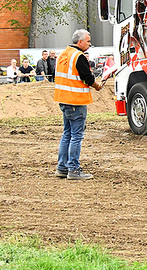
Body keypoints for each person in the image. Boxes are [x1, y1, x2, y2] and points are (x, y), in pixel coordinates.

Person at [54, 29, 103, 180]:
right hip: (76, 100)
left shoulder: (63, 54)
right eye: (88, 41)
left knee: (67, 133)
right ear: (80, 42)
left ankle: (62, 167)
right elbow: (87, 77)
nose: (89, 44)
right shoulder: (79, 56)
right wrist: (96, 85)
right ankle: (73, 169)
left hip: (63, 99)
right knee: (76, 135)